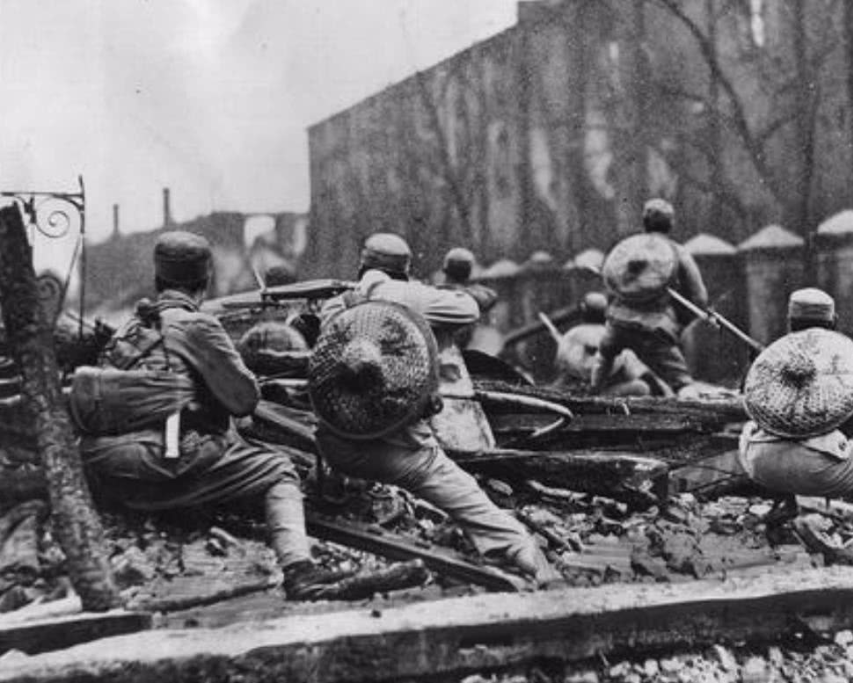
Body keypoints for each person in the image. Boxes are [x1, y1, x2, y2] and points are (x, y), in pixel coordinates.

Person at [73, 231, 354, 601]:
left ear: (159, 281)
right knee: (279, 470)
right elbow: (244, 400)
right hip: (162, 465)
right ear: (204, 283)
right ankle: (300, 571)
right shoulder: (197, 325)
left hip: (105, 465)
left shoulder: (132, 326)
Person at [315, 233, 552, 579]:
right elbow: (469, 309)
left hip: (337, 442)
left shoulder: (335, 305)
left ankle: (333, 490)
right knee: (477, 507)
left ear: (362, 264)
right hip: (403, 447)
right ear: (405, 270)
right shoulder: (408, 295)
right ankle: (538, 568)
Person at [738, 288, 853, 560]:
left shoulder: (774, 356)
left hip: (761, 463)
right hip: (820, 471)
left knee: (751, 433)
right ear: (834, 322)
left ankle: (784, 505)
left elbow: (750, 407)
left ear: (790, 322)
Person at [591, 198, 708, 396]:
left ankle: (591, 396)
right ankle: (693, 417)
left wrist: (615, 314)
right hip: (654, 329)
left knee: (604, 356)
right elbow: (699, 298)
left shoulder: (626, 249)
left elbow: (611, 287)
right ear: (671, 223)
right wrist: (679, 324)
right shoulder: (678, 252)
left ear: (644, 222)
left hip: (617, 325)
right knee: (681, 381)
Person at [552, 292, 666, 397]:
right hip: (605, 393)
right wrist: (660, 391)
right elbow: (639, 371)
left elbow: (560, 365)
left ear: (583, 310)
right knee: (642, 387)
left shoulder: (570, 335)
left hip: (575, 391)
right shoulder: (614, 335)